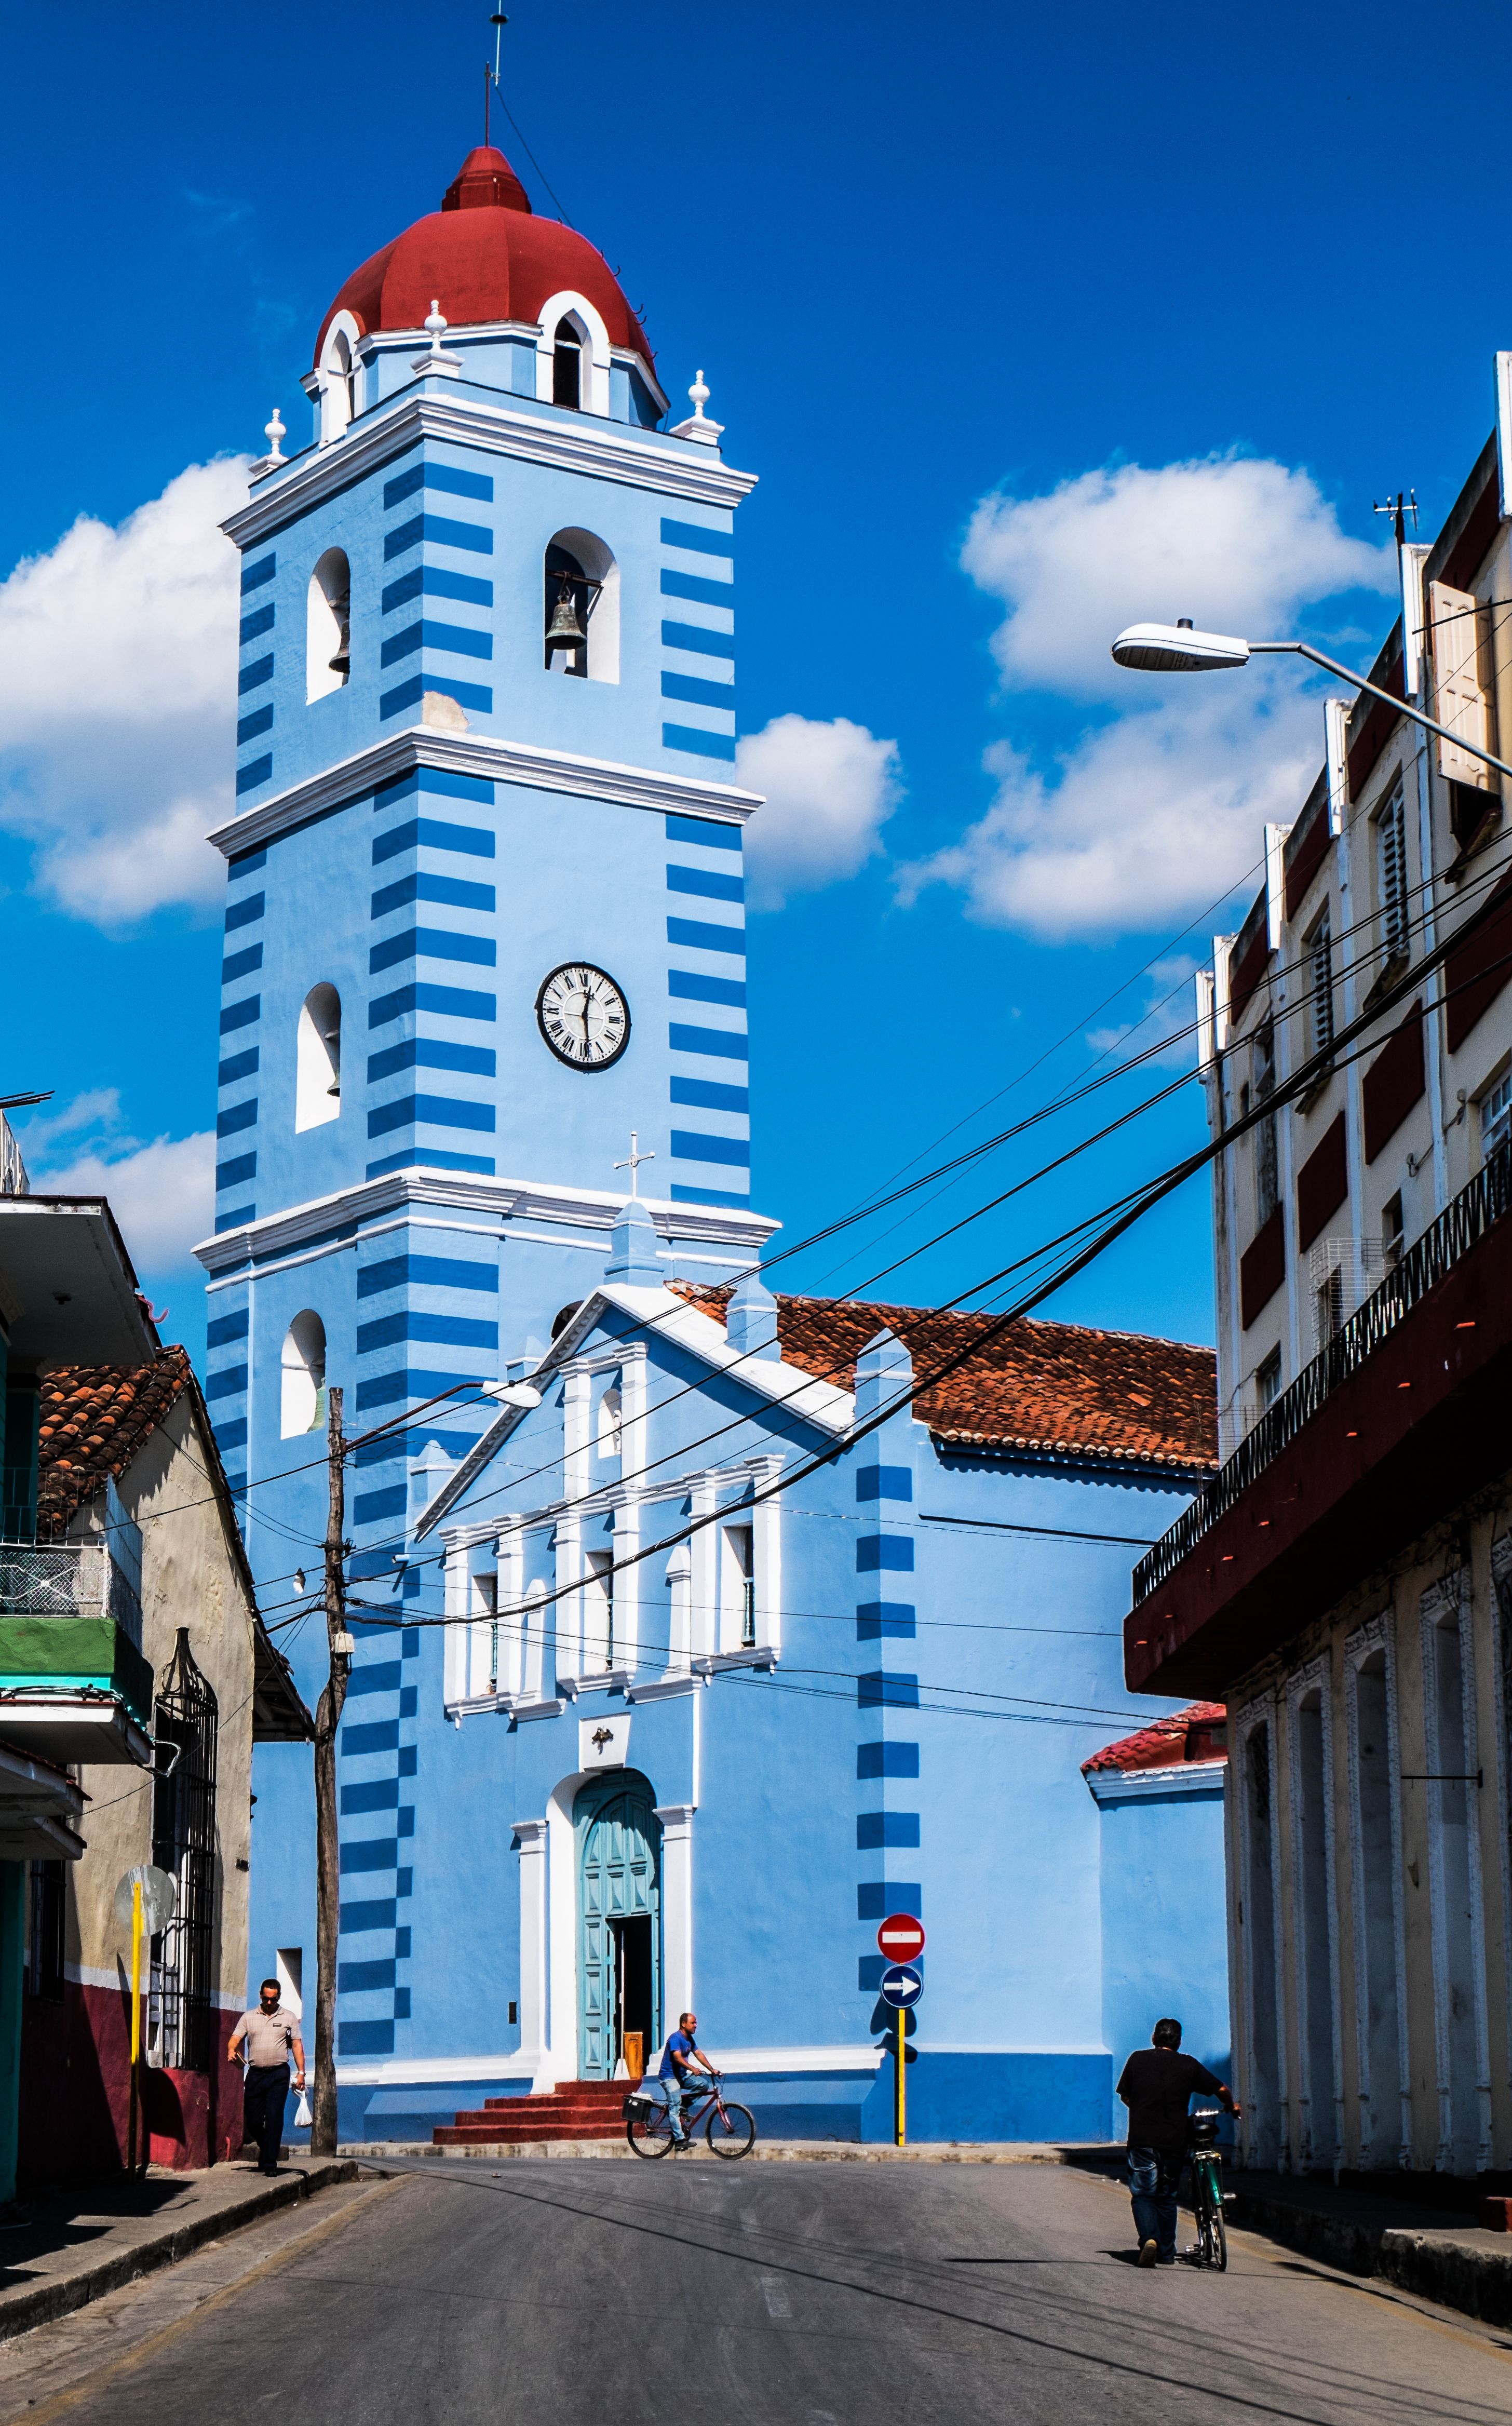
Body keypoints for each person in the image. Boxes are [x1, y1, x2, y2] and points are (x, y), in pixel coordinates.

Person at [1116, 2017, 1239, 2268]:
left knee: (1143, 2193)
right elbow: (1222, 2090)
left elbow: (1126, 2096)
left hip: (1142, 2140)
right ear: (1179, 2042)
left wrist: (1142, 2109)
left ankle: (1149, 2239)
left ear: (1154, 2039)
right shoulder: (1188, 2065)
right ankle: (1166, 2252)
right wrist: (1231, 2106)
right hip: (1174, 2141)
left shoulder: (1137, 2059)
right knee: (1167, 2195)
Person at [228, 1978, 306, 2176]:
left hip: (279, 2074)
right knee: (253, 2122)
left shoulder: (288, 2017)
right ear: (260, 1996)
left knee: (274, 2118)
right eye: (266, 1999)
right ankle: (267, 2150)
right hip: (255, 2074)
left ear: (279, 1997)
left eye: (273, 1999)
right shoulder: (248, 2017)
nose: (270, 2003)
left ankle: (270, 2163)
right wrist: (231, 2050)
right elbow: (235, 2039)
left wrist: (301, 2072)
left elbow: (297, 2045)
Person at [656, 2010, 716, 2151]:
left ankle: (684, 2105)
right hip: (669, 2077)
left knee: (703, 2085)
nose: (695, 2025)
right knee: (674, 2109)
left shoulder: (689, 2039)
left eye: (696, 2023)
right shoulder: (675, 2038)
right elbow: (677, 2057)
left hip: (682, 2076)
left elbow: (698, 2053)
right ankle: (679, 2140)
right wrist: (693, 2068)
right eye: (693, 2023)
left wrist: (712, 2069)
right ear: (684, 2024)